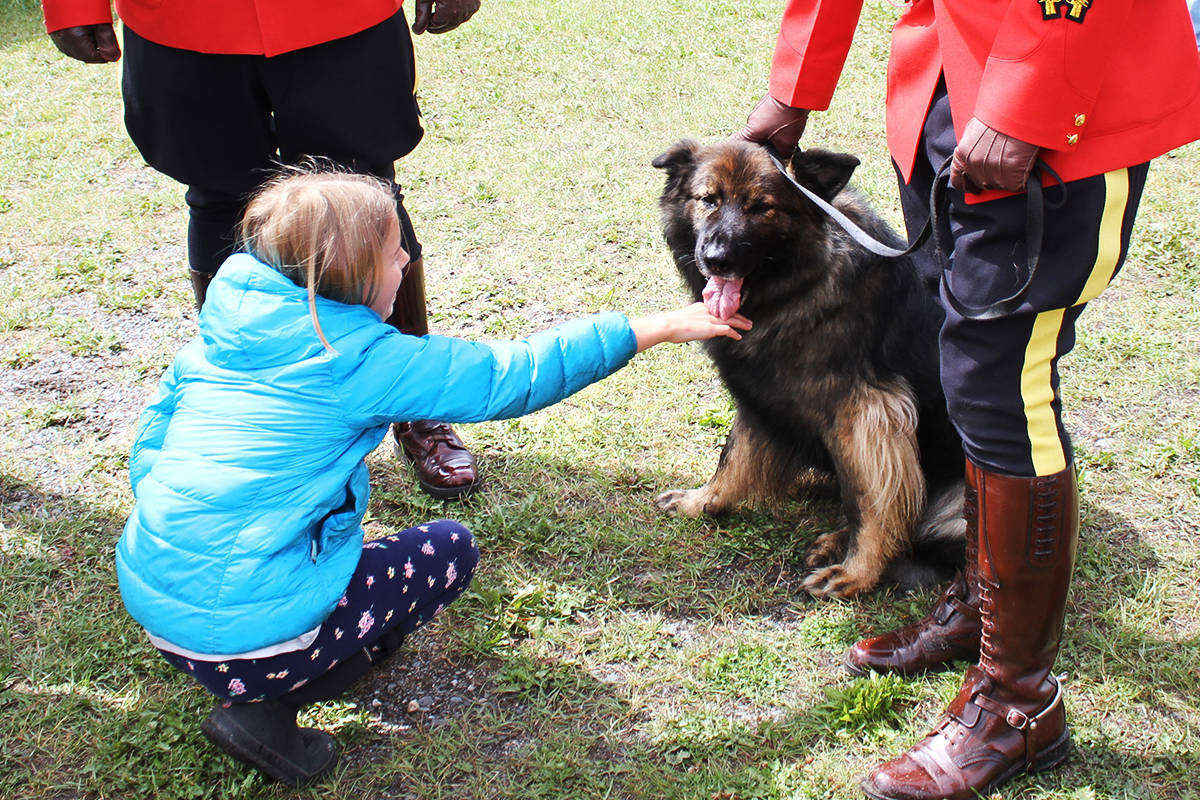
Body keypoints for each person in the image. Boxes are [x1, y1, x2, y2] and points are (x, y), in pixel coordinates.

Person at [121, 166, 751, 786]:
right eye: (397, 257)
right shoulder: (360, 359)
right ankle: (270, 705)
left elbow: (149, 448)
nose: (405, 267)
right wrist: (656, 326)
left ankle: (274, 656)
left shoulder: (218, 334)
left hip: (159, 609)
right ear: (357, 275)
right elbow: (514, 374)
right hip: (252, 641)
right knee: (448, 548)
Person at [738, 2, 1200, 799]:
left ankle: (1019, 705)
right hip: (944, 87)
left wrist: (1026, 96)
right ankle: (982, 603)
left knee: (999, 385)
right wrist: (794, 84)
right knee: (953, 364)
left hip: (1059, 101)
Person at [40, 0, 487, 500]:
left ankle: (415, 401)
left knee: (363, 192)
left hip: (339, 13)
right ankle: (245, 417)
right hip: (184, 17)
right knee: (218, 197)